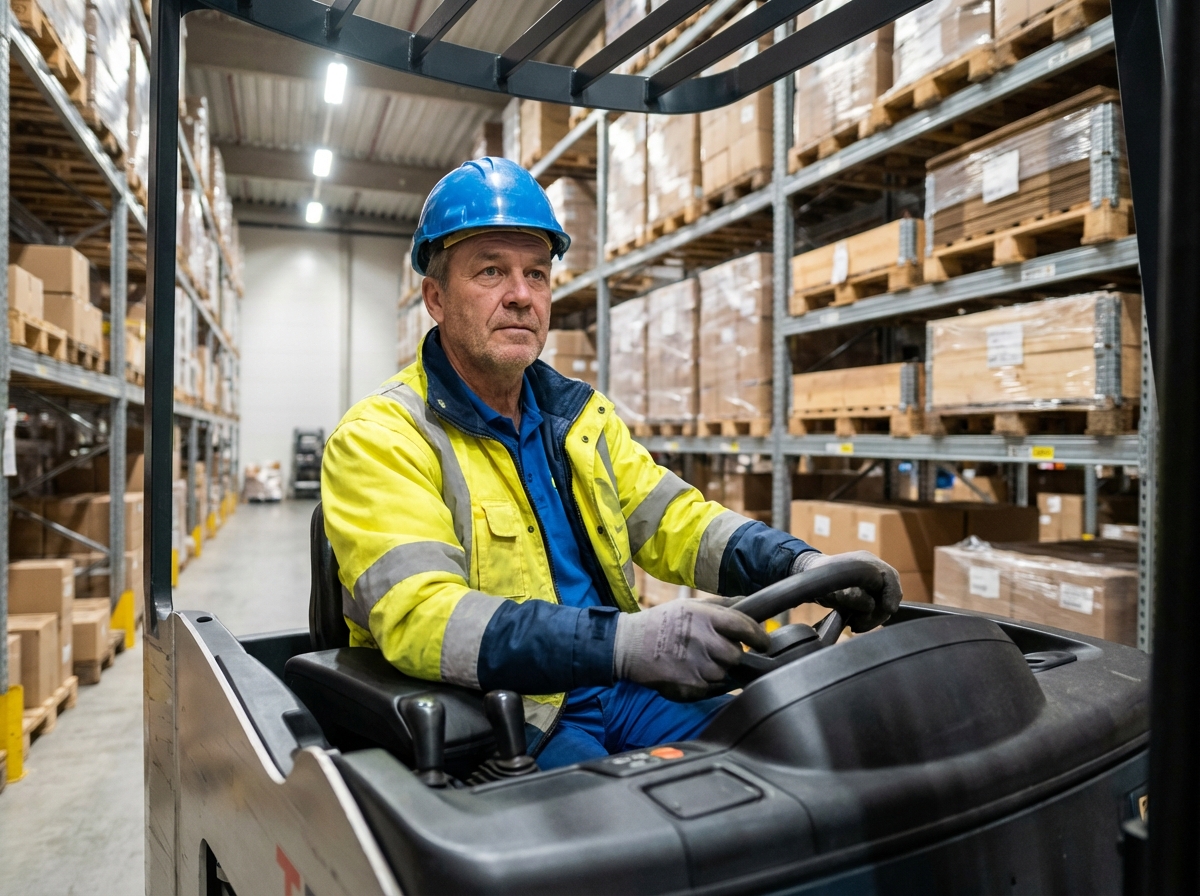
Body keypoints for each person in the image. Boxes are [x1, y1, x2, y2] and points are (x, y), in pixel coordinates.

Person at [321, 157, 902, 770]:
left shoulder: (578, 419)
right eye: (491, 272)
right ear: (435, 297)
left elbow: (677, 520)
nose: (521, 295)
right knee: (645, 842)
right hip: (510, 713)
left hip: (620, 690)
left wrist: (801, 562)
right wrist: (624, 641)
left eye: (537, 274)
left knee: (789, 756)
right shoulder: (383, 437)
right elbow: (424, 618)